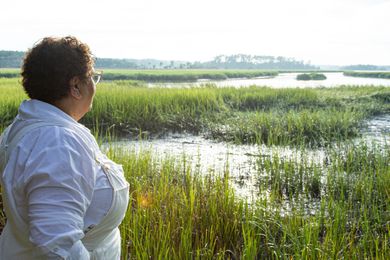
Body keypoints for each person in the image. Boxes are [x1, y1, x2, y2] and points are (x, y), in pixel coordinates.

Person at [0, 36, 129, 259]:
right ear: (76, 86)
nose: (94, 85)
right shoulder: (57, 142)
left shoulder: (28, 127)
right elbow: (57, 244)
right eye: (93, 78)